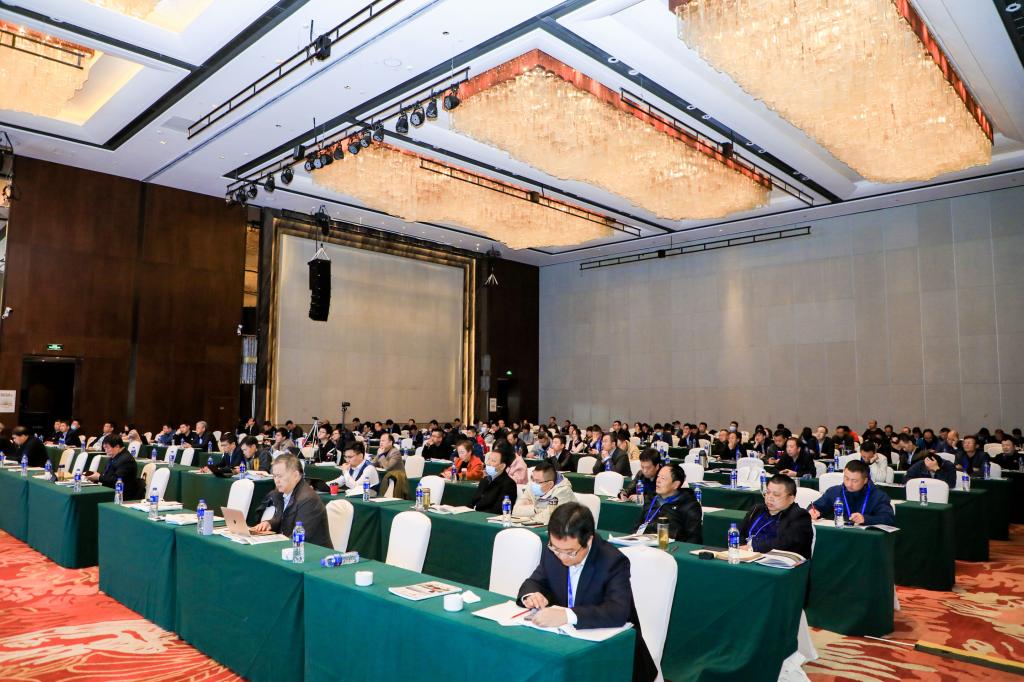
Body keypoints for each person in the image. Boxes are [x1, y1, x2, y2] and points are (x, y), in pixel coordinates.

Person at [518, 503, 657, 682]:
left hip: (614, 654)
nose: (561, 557)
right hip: (568, 645)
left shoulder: (613, 561)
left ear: (589, 540)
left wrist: (567, 615)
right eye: (555, 548)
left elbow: (618, 611)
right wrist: (531, 595)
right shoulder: (553, 551)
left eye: (570, 552)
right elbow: (533, 582)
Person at [252, 453, 330, 547]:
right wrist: (269, 523)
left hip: (312, 552)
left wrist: (273, 545)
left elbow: (300, 536)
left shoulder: (309, 500)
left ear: (295, 476)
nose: (276, 481)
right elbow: (282, 518)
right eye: (274, 476)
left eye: (280, 476)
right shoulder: (280, 493)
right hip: (292, 547)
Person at [737, 474, 813, 558]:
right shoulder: (757, 509)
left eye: (776, 495)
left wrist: (752, 547)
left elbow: (785, 543)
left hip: (781, 562)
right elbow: (739, 532)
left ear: (791, 498)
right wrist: (740, 546)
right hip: (748, 556)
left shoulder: (799, 516)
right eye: (767, 492)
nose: (769, 497)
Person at [810, 460, 895, 526]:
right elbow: (815, 506)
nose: (849, 484)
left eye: (854, 481)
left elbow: (888, 518)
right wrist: (813, 511)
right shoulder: (834, 491)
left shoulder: (878, 496)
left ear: (865, 480)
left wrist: (865, 519)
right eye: (846, 478)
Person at [631, 464, 702, 543]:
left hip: (671, 547)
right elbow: (637, 528)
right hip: (644, 545)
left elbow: (694, 539)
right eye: (658, 476)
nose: (658, 481)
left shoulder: (689, 505)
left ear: (675, 484)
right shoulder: (651, 499)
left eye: (663, 478)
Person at [512, 461, 577, 524]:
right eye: (532, 479)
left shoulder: (563, 491)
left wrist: (529, 513)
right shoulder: (532, 486)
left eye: (537, 481)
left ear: (550, 484)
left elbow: (550, 518)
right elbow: (515, 511)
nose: (533, 484)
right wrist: (536, 509)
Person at [470, 449, 518, 514]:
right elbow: (473, 501)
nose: (488, 463)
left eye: (493, 461)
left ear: (502, 466)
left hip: (487, 516)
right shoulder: (485, 480)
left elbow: (499, 510)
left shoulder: (509, 484)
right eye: (488, 459)